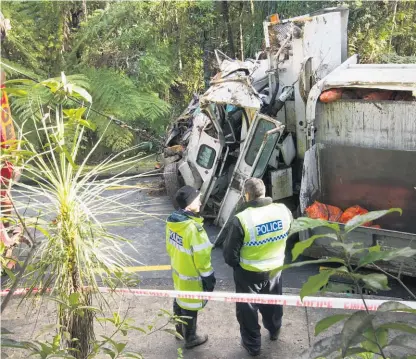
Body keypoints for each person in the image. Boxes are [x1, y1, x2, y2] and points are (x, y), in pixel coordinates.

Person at [223, 178, 293, 356]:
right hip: (275, 268)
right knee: (273, 302)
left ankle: (253, 345)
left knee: (248, 310)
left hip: (249, 273)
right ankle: (274, 329)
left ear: (247, 195)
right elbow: (290, 233)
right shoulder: (283, 211)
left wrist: (237, 266)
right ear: (264, 191)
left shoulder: (242, 219)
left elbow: (229, 254)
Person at [166, 185, 216, 349]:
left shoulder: (173, 223)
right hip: (192, 277)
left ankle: (179, 330)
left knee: (179, 300)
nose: (200, 202)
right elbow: (202, 260)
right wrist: (209, 278)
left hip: (178, 272)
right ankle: (191, 337)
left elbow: (170, 247)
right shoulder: (194, 229)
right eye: (197, 199)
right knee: (190, 306)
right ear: (188, 204)